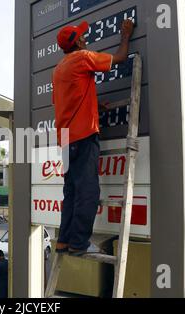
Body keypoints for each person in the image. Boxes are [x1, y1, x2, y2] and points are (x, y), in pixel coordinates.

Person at [52, 19, 134, 256]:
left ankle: (64, 241)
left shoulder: (57, 70)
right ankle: (79, 244)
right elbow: (118, 58)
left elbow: (66, 100)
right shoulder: (82, 57)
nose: (84, 38)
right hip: (83, 136)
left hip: (66, 140)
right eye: (82, 36)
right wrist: (125, 36)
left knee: (71, 192)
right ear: (77, 41)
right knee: (88, 192)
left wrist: (94, 105)